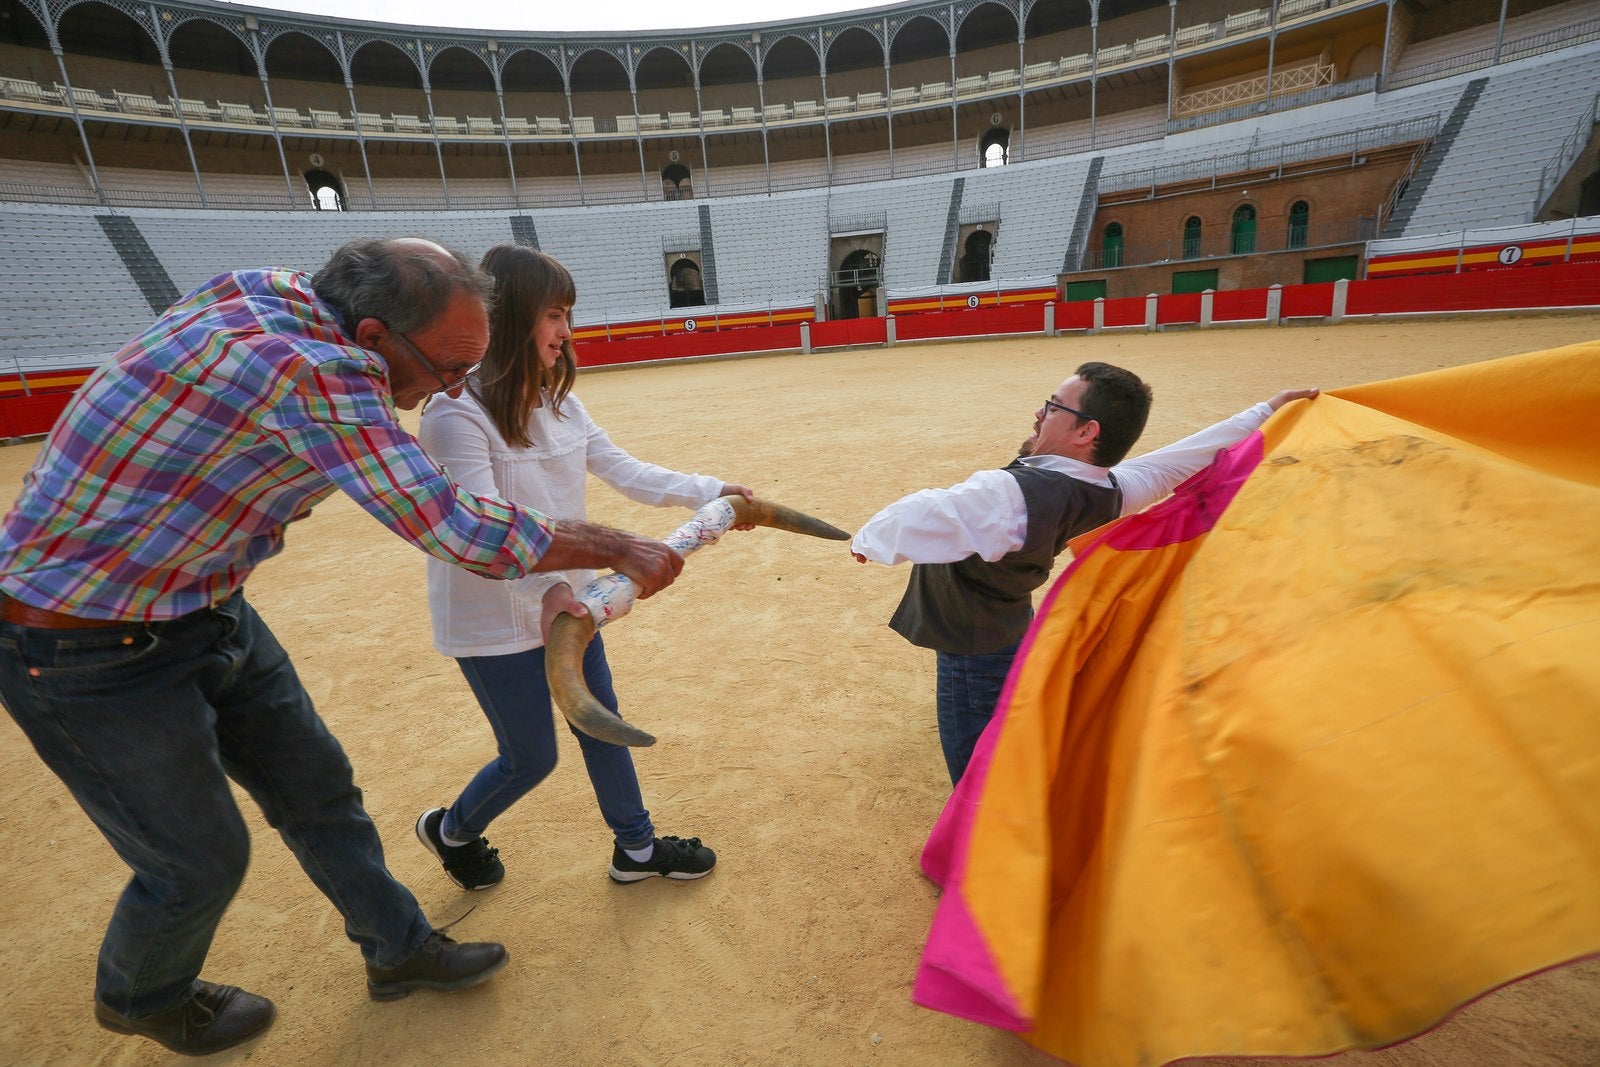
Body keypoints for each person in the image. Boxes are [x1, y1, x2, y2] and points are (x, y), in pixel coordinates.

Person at [0, 237, 685, 1057]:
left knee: (320, 788)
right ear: (372, 338)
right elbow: (454, 524)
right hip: (78, 638)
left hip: (201, 601)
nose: (455, 389)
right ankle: (142, 991)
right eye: (446, 369)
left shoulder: (269, 289)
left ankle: (398, 947)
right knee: (199, 860)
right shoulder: (314, 373)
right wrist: (621, 545)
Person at [414, 244, 742, 892]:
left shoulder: (560, 403)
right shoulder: (454, 415)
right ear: (509, 319)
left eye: (568, 314)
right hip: (492, 617)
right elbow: (487, 533)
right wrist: (555, 585)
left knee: (602, 722)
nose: (566, 331)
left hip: (569, 601)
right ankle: (451, 830)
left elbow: (626, 469)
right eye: (554, 314)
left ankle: (637, 848)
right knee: (530, 756)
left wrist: (714, 490)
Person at [852, 361, 1317, 785]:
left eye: (1053, 407)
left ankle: (976, 857)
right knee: (1000, 732)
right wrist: (1265, 411)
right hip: (1005, 625)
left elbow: (929, 510)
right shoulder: (1110, 490)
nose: (1039, 413)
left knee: (977, 760)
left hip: (971, 641)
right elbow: (1179, 459)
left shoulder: (1008, 493)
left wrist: (867, 538)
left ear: (1086, 431)